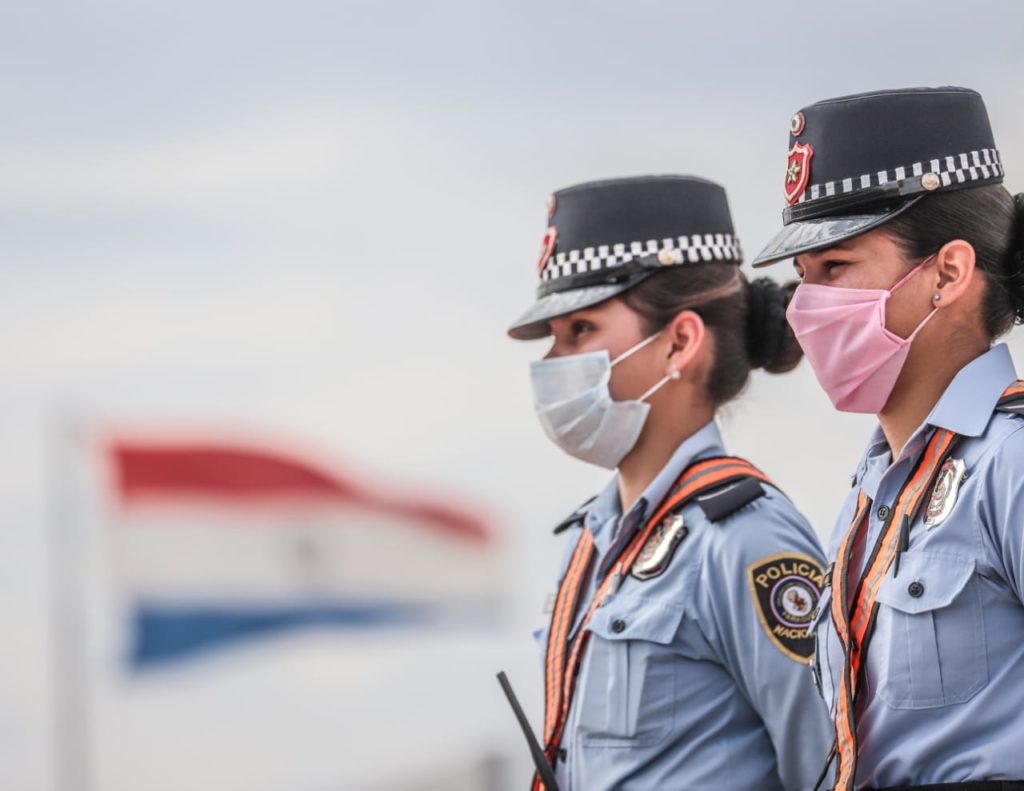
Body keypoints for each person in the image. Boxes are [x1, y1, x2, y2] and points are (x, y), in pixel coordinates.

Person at [508, 175, 832, 790]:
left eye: (580, 331)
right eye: (554, 338)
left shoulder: (744, 539)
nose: (554, 363)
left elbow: (826, 766)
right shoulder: (594, 542)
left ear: (680, 342)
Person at [752, 87, 1024, 791]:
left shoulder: (1012, 463)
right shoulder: (872, 494)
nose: (806, 308)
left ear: (949, 273)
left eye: (836, 268)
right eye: (801, 279)